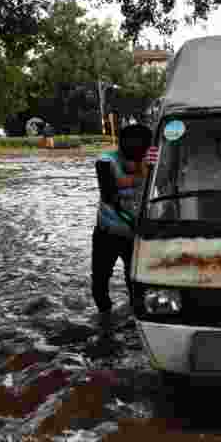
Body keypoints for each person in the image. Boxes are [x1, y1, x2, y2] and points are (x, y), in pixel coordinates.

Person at [92, 123, 152, 315]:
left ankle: (135, 313)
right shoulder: (106, 161)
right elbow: (109, 195)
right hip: (108, 232)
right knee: (101, 278)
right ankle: (105, 315)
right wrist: (141, 175)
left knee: (135, 278)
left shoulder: (151, 161)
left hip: (136, 233)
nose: (137, 156)